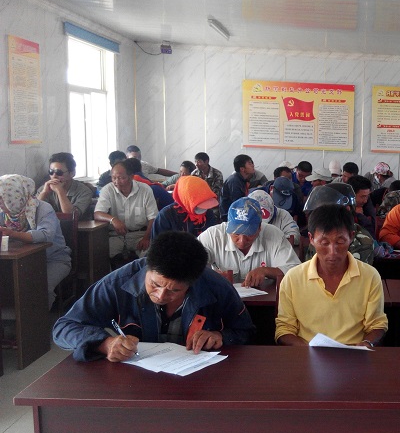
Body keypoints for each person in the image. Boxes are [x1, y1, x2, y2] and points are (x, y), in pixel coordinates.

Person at [52, 231, 255, 362]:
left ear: (192, 282)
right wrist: (104, 344)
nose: (160, 295)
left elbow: (247, 332)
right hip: (134, 381)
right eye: (155, 284)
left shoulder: (216, 287)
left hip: (197, 381)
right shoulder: (118, 283)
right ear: (147, 267)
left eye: (174, 291)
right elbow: (64, 327)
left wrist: (220, 336)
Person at [275, 205, 388, 347]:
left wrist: (367, 343)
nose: (332, 251)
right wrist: (308, 351)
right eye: (324, 243)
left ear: (351, 237)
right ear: (311, 238)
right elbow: (284, 329)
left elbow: (377, 325)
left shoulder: (369, 276)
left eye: (340, 242)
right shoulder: (293, 278)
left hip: (353, 355)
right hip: (307, 354)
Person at [0, 174, 71, 309]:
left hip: (53, 260)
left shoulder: (43, 208)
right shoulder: (4, 214)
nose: (0, 204)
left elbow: (45, 235)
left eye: (2, 199)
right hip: (20, 261)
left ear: (14, 197)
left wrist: (12, 234)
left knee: (39, 286)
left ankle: (38, 320)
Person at [197, 197, 300, 287]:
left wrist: (266, 271)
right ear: (228, 226)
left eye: (249, 234)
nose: (242, 241)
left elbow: (295, 271)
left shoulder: (274, 236)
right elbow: (190, 263)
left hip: (263, 301)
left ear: (259, 228)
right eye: (236, 234)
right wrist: (210, 275)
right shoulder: (212, 236)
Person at [94, 161, 158, 264]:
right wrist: (113, 220)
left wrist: (146, 238)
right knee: (100, 253)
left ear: (131, 177)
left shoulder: (145, 189)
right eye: (113, 178)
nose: (116, 182)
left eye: (121, 178)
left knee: (151, 255)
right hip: (116, 236)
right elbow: (98, 213)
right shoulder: (108, 190)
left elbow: (153, 217)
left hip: (140, 235)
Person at [303, 183, 375, 265]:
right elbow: (310, 265)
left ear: (346, 209)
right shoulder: (318, 234)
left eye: (340, 242)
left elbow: (350, 272)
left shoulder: (361, 241)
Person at [151, 176, 219, 239]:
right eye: (200, 205)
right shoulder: (166, 216)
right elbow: (158, 245)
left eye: (206, 205)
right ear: (187, 200)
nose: (204, 209)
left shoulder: (208, 214)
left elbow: (211, 239)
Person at [37, 152, 93, 220]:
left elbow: (70, 216)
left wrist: (60, 191)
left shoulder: (84, 192)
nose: (54, 176)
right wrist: (44, 193)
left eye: (59, 172)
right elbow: (33, 212)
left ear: (72, 173)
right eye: (51, 172)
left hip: (76, 226)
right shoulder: (44, 188)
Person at [220, 154, 267, 221]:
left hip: (239, 214)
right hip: (230, 217)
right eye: (249, 164)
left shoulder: (243, 179)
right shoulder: (234, 181)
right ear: (242, 169)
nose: (253, 165)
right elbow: (238, 204)